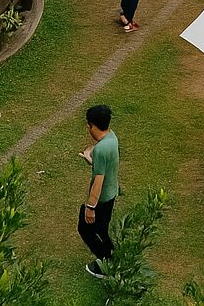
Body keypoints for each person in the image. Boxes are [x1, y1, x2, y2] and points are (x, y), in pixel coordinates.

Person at [78, 104, 120, 278]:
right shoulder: (112, 137)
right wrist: (91, 158)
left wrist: (90, 207)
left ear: (93, 126)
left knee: (85, 228)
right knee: (101, 230)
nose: (88, 128)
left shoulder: (101, 149)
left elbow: (98, 181)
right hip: (111, 194)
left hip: (101, 200)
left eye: (89, 125)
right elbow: (105, 164)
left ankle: (107, 264)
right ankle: (113, 257)